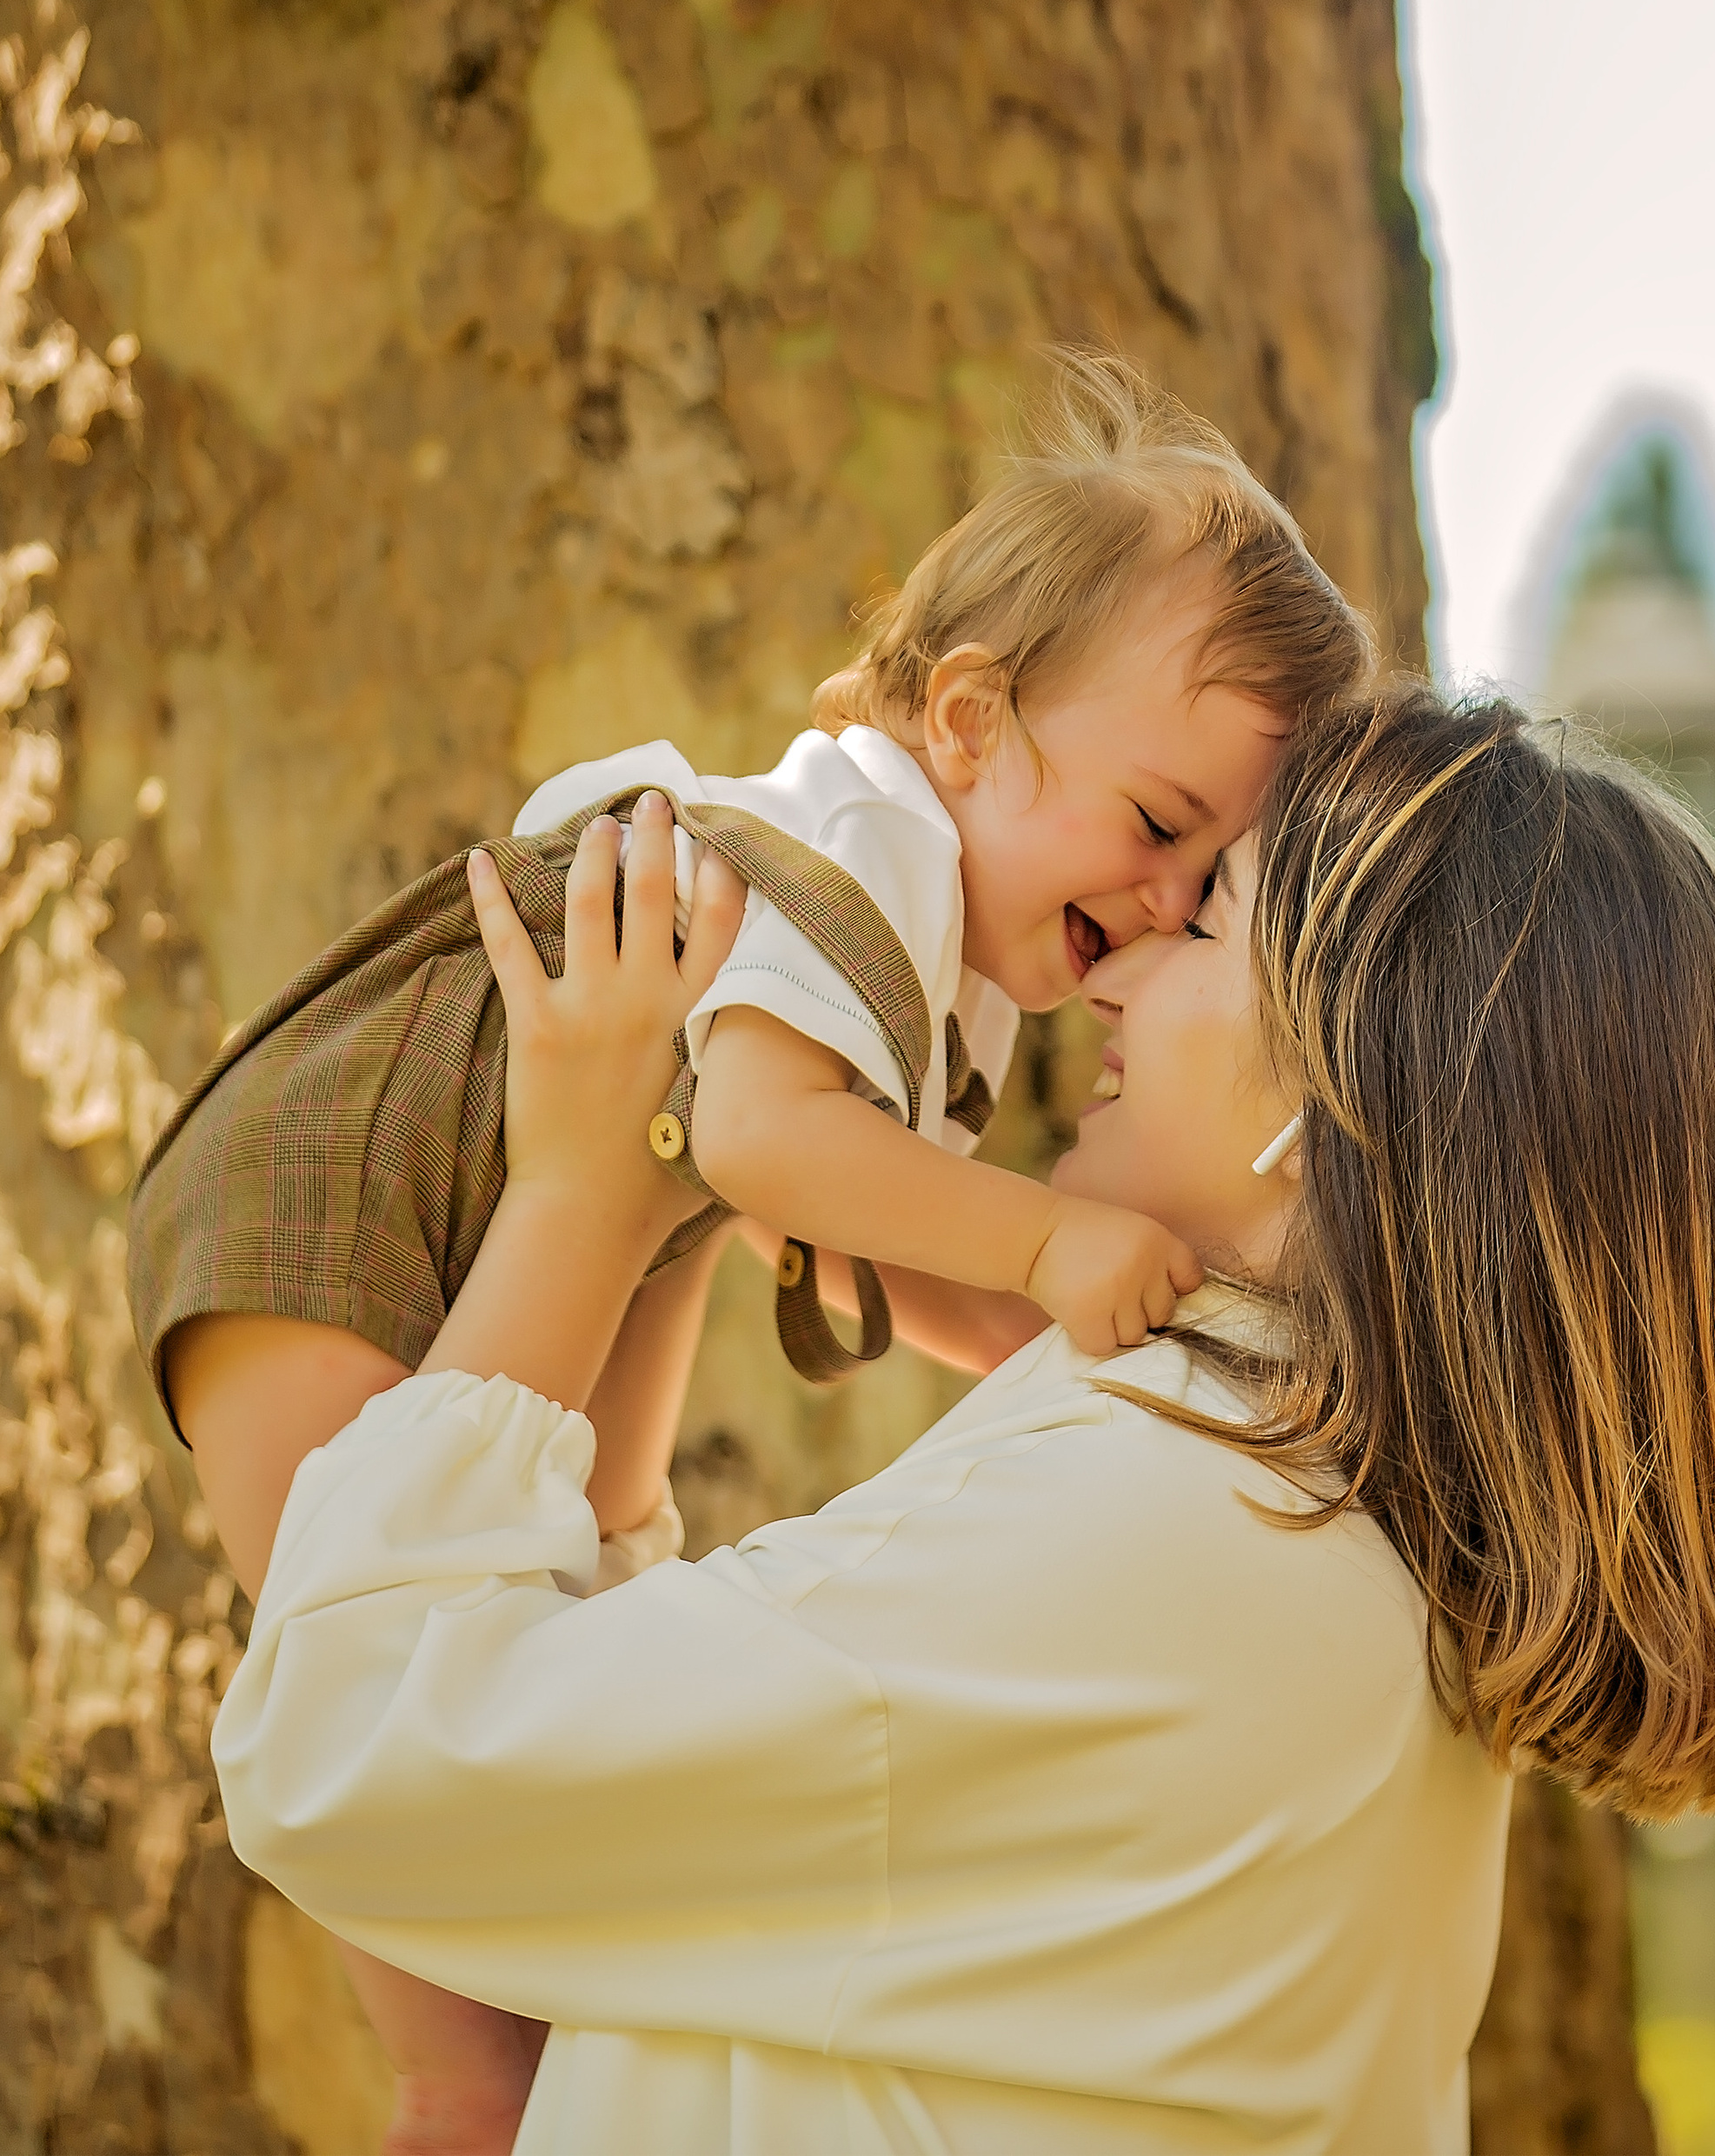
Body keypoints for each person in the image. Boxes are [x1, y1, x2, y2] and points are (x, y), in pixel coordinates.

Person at [209, 689, 1715, 2155]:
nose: (1109, 970)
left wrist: (585, 1184)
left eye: (1200, 920)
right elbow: (640, 1801)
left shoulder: (1174, 1524)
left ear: (1338, 1079)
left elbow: (352, 1752)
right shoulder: (1316, 1528)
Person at [130, 355, 1376, 2146]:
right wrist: (1051, 1244)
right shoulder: (863, 841)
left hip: (510, 1214)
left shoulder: (955, 961)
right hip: (324, 1187)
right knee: (411, 1843)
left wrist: (1091, 1347)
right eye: (1158, 824)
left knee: (529, 1662)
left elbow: (884, 1243)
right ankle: (442, 2088)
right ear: (966, 722)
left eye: (1209, 879)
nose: (1161, 907)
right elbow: (760, 1143)